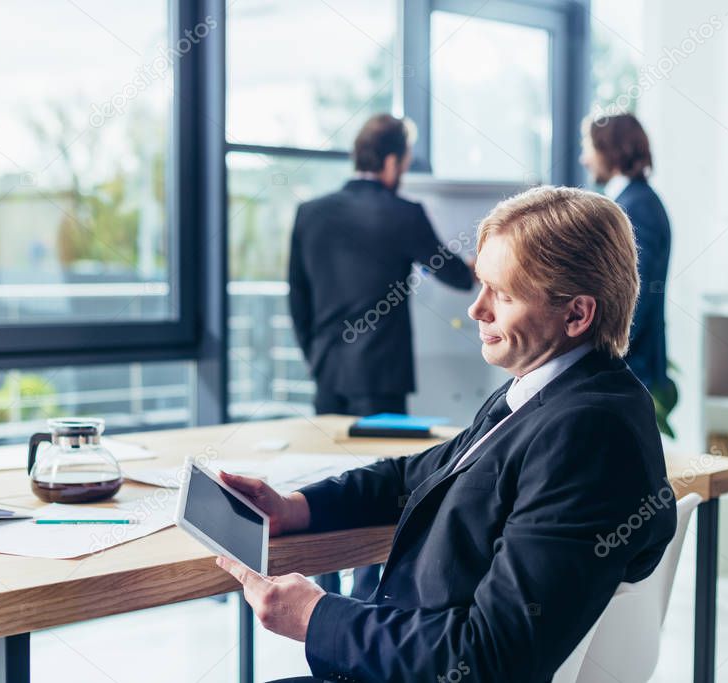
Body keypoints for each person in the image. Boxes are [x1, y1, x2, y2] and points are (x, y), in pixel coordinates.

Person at [219, 186, 678, 682]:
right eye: (482, 285)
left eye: (503, 294)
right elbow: (419, 473)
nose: (478, 310)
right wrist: (296, 507)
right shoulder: (550, 391)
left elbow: (491, 657)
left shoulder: (588, 435)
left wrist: (315, 617)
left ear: (577, 314)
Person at [288, 113, 474, 418]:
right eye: (404, 163)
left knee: (327, 464)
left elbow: (298, 297)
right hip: (382, 377)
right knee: (381, 465)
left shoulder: (309, 213)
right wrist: (478, 266)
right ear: (391, 162)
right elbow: (455, 275)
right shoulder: (404, 213)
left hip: (327, 373)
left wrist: (315, 356)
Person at [580, 113, 672, 393]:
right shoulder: (629, 202)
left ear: (611, 151)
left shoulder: (636, 208)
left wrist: (596, 358)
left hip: (629, 366)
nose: (585, 159)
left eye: (589, 149)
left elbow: (635, 294)